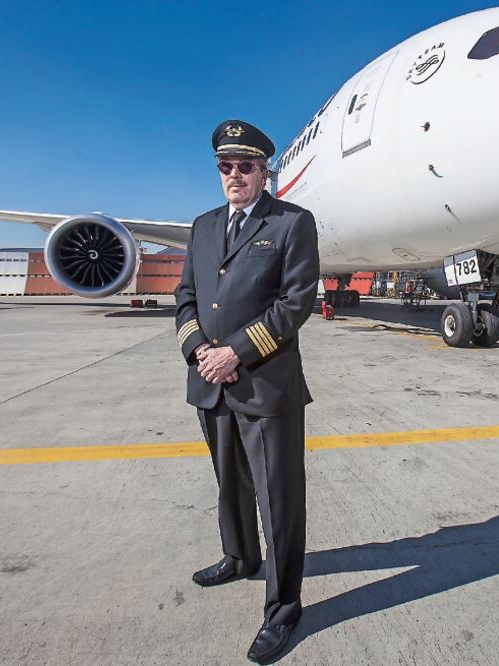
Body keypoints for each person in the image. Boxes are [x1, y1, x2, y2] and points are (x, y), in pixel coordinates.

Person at [174, 119, 320, 663]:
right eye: (226, 167)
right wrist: (200, 354)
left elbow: (295, 303)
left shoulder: (291, 223)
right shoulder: (203, 225)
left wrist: (235, 351)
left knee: (278, 498)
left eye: (246, 167)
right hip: (211, 383)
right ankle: (239, 557)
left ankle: (284, 608)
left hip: (265, 384)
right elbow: (186, 297)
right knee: (229, 483)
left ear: (265, 172)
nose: (235, 175)